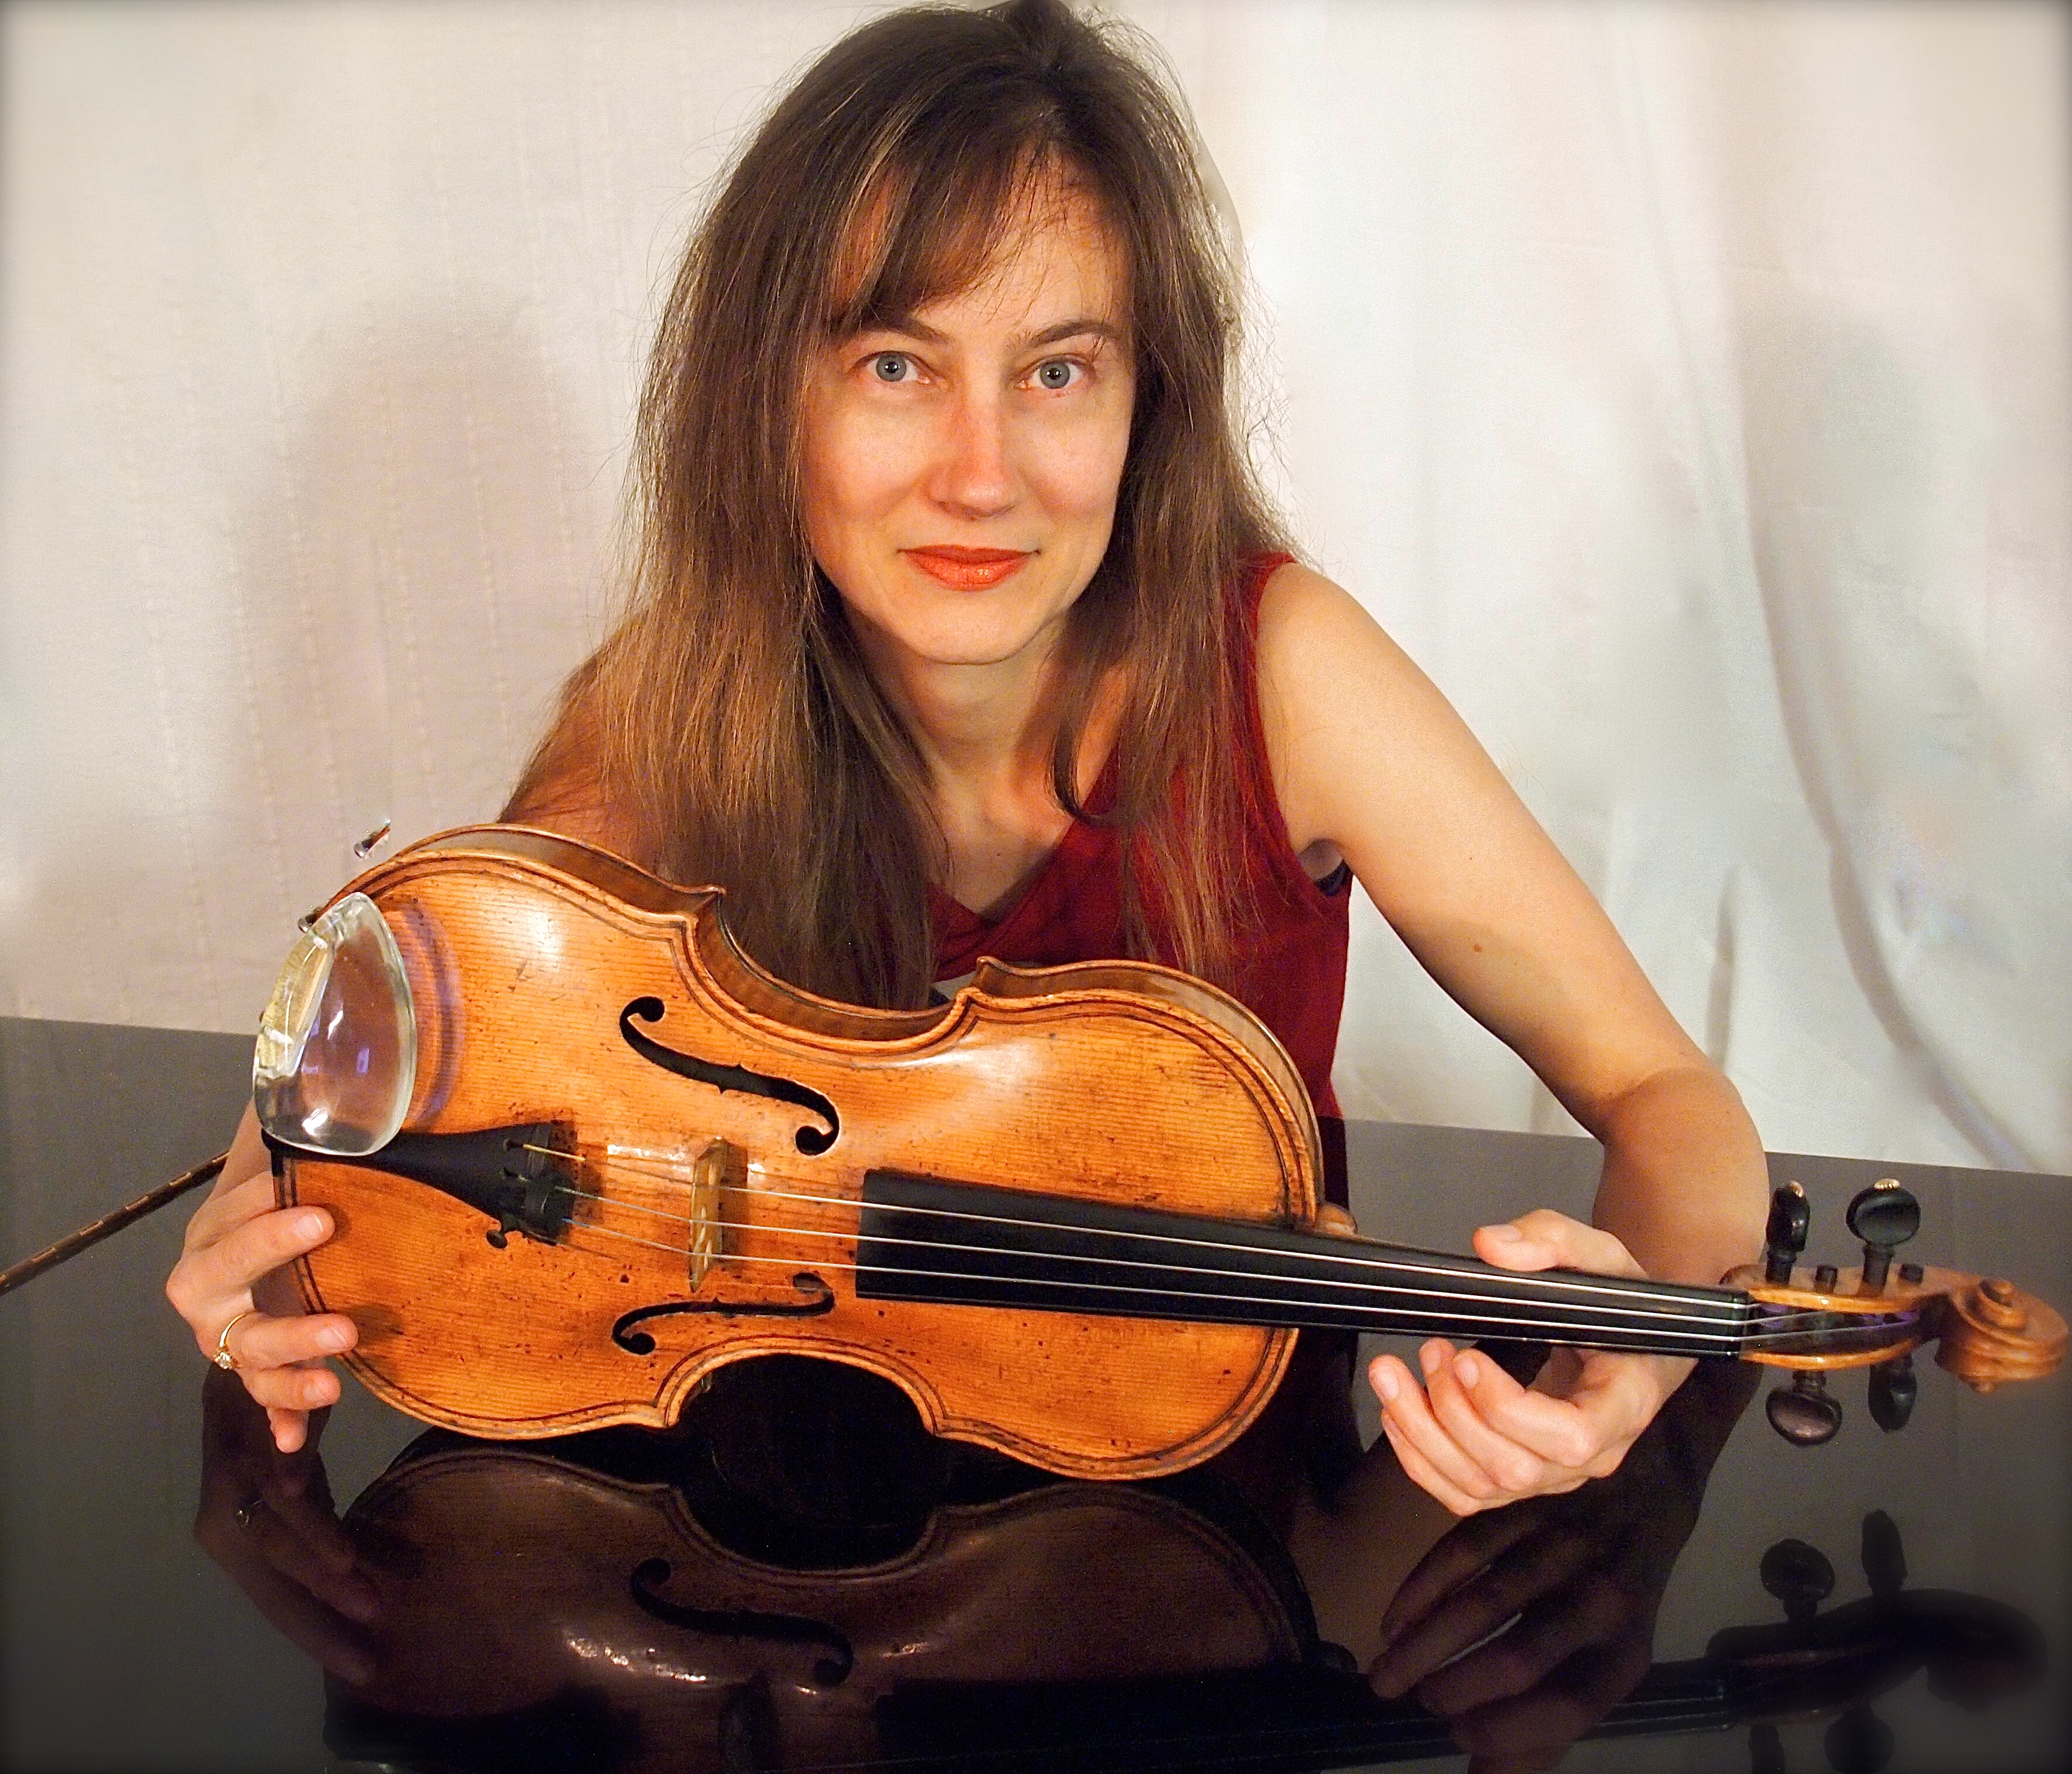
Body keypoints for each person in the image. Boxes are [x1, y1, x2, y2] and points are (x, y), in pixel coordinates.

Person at [167, 0, 1770, 1515]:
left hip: (1219, 1514)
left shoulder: (1283, 675)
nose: (981, 474)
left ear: (1147, 406)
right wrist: (270, 1205)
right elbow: (408, 1010)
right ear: (770, 398)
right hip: (793, 1524)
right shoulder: (681, 698)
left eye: (1056, 372)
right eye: (897, 367)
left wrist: (1625, 1359)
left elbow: (1667, 1097)